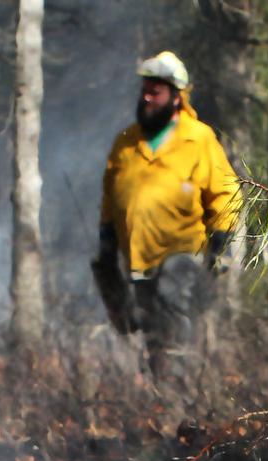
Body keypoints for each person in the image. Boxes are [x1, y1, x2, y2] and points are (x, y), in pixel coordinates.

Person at [94, 51, 240, 381]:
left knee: (174, 314)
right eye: (145, 89)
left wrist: (221, 243)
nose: (147, 96)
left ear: (176, 97)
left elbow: (225, 192)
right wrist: (106, 243)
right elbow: (110, 196)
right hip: (139, 257)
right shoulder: (126, 142)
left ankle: (179, 388)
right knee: (150, 328)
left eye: (156, 91)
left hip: (182, 254)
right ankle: (163, 396)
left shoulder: (199, 139)